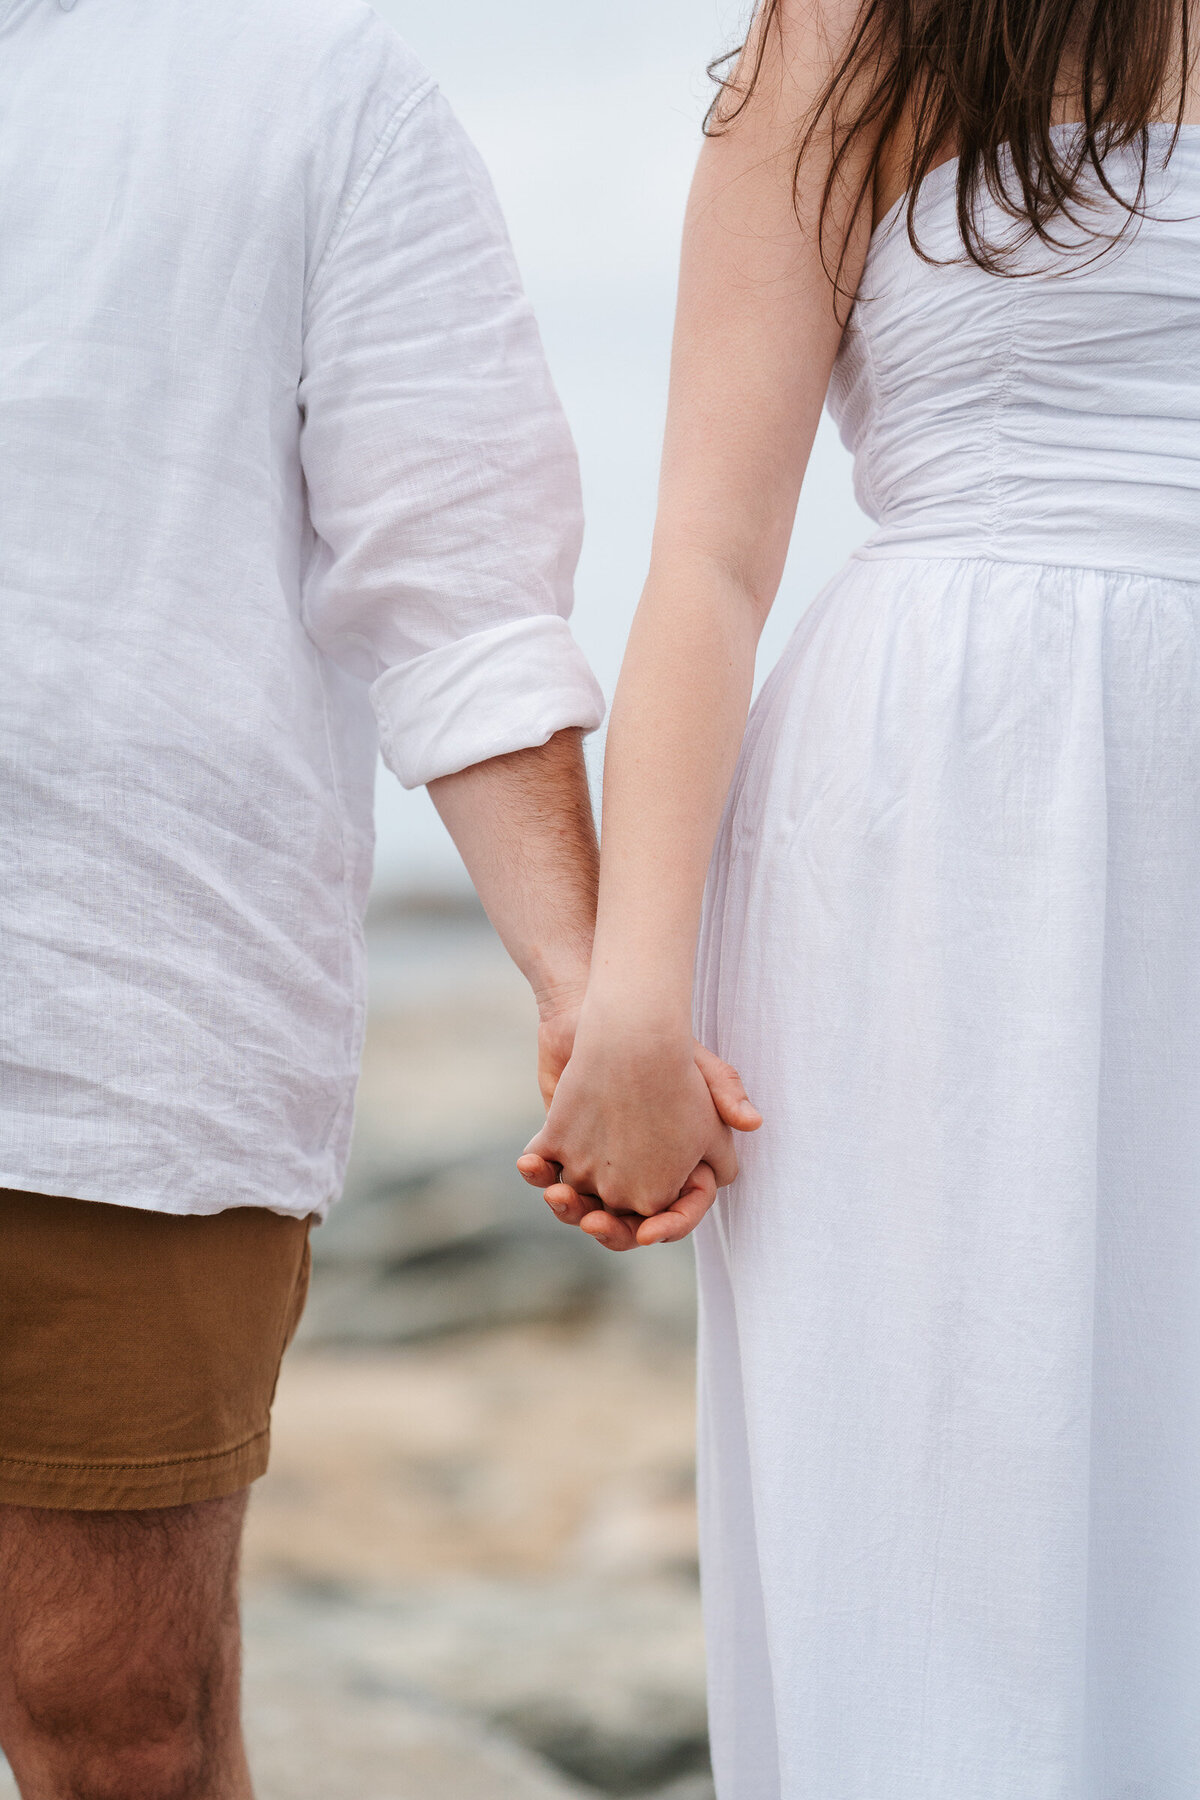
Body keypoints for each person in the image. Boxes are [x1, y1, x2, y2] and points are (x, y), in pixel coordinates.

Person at [0, 0, 760, 1792]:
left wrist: (587, 993)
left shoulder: (312, 85)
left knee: (118, 1726)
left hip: (118, 1040)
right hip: (140, 1025)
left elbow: (458, 594)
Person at [522, 0, 1200, 1791]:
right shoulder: (860, 28)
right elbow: (711, 557)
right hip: (952, 844)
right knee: (952, 1482)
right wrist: (633, 996)